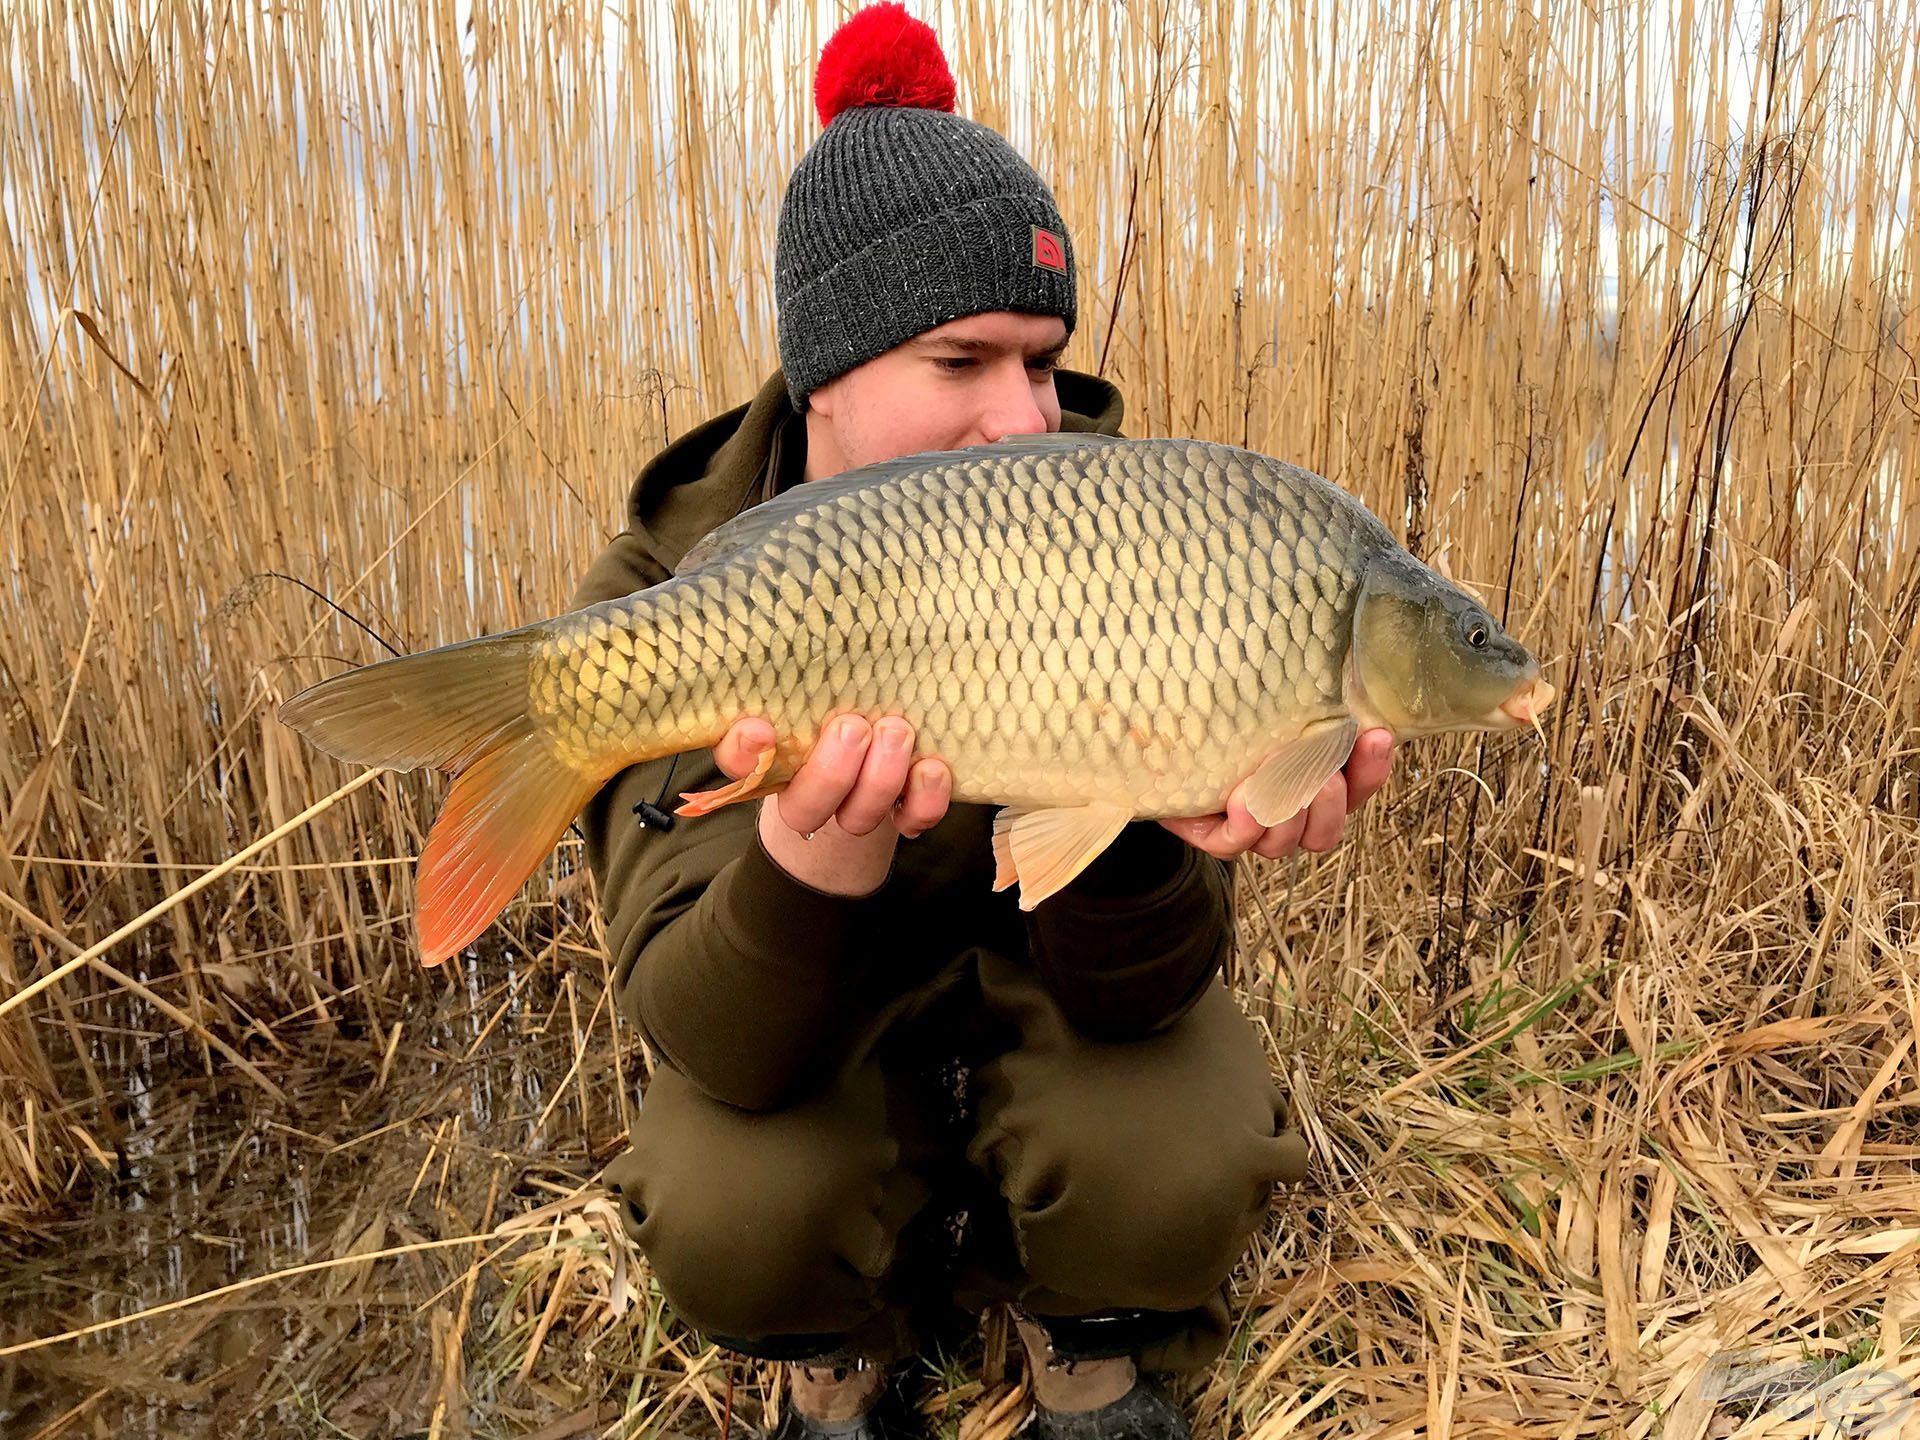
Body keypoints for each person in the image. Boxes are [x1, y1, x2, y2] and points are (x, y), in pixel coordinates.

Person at [570, 7, 1392, 1437]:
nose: (1027, 419)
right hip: (816, 1044)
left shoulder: (1144, 530)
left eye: (1044, 362)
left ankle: (1092, 1333)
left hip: (1050, 1017)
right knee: (732, 1210)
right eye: (963, 362)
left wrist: (1147, 818)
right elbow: (710, 1041)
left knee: (1178, 1149)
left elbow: (1143, 993)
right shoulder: (672, 598)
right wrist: (809, 862)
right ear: (825, 369)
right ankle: (843, 1348)